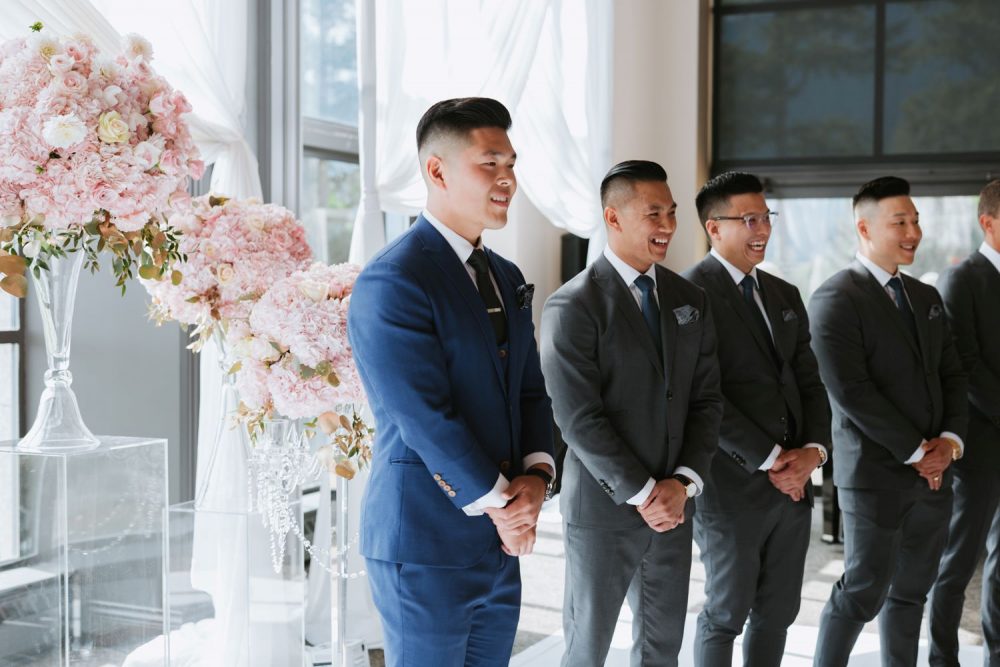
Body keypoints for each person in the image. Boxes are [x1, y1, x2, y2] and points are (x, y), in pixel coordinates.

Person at [347, 97, 556, 667]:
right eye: (489, 164)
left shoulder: (506, 276)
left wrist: (537, 479)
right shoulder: (394, 279)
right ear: (436, 171)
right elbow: (423, 416)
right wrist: (501, 505)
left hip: (499, 539)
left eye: (511, 163)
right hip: (423, 540)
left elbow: (531, 391)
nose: (507, 179)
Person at [540, 160, 723, 666]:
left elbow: (707, 400)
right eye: (653, 213)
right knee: (587, 646)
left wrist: (682, 483)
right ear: (613, 218)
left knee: (663, 647)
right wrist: (646, 493)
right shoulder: (571, 305)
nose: (666, 226)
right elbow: (578, 419)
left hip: (674, 507)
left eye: (671, 212)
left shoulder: (691, 299)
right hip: (603, 511)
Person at [809, 176, 968, 667]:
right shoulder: (835, 298)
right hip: (874, 477)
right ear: (864, 227)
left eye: (915, 220)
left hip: (935, 476)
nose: (913, 232)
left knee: (912, 593)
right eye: (900, 222)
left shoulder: (926, 297)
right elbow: (852, 393)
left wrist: (949, 442)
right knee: (862, 590)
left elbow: (952, 374)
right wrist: (919, 452)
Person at [682, 171, 831, 666]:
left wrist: (813, 452)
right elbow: (704, 395)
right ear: (714, 227)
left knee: (779, 611)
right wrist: (772, 460)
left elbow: (810, 380)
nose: (761, 228)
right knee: (726, 611)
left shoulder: (784, 293)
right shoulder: (688, 295)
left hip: (794, 485)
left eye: (766, 216)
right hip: (732, 488)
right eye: (749, 218)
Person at [929, 179, 1000, 667]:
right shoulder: (963, 278)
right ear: (988, 222)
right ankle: (942, 658)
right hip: (979, 446)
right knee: (957, 562)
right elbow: (967, 367)